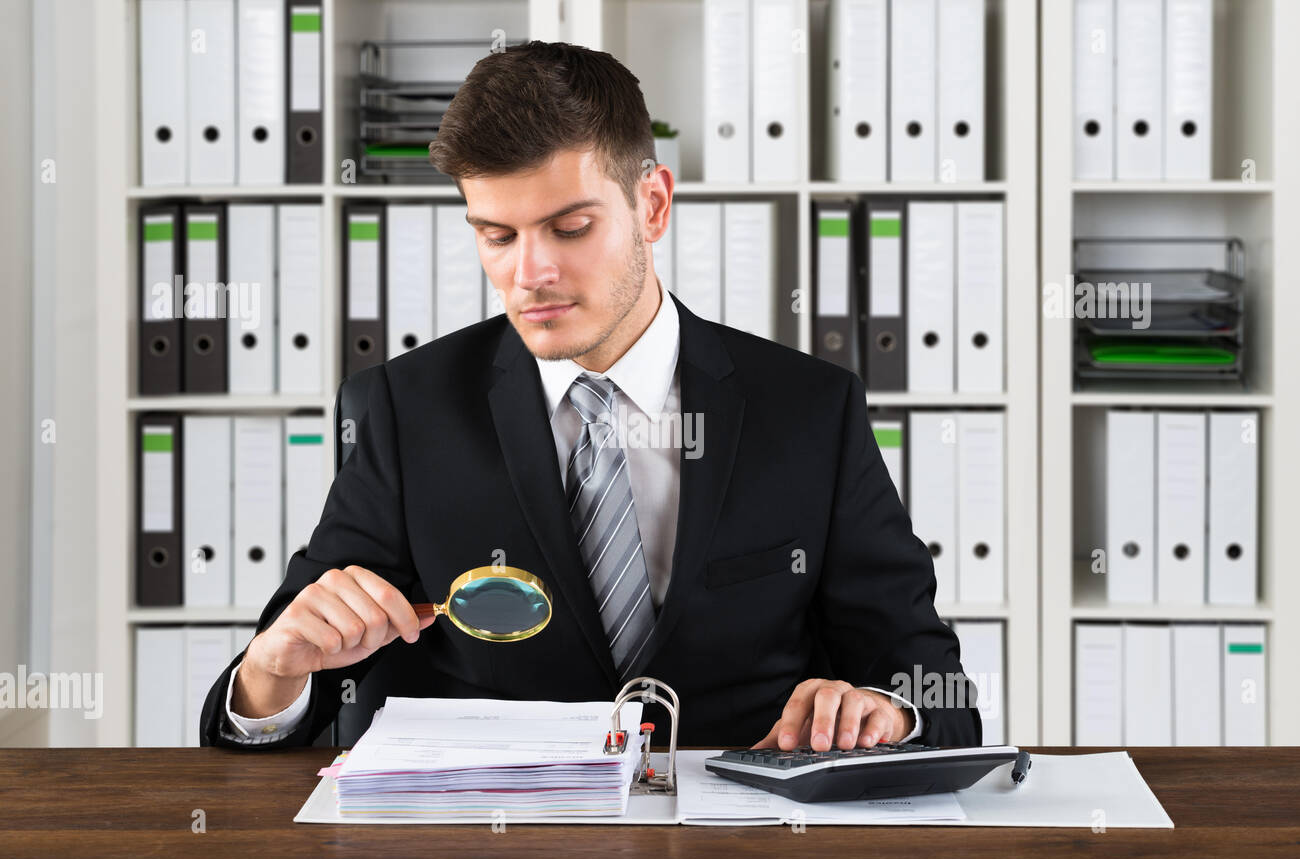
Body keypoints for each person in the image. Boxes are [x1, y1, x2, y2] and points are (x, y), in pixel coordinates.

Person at [200, 41, 981, 751]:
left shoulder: (810, 408)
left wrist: (886, 708)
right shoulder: (408, 409)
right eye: (497, 236)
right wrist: (272, 677)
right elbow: (264, 713)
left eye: (569, 226)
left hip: (736, 837)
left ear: (652, 205)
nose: (528, 273)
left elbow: (931, 683)